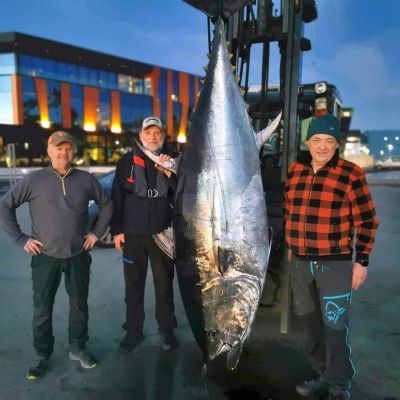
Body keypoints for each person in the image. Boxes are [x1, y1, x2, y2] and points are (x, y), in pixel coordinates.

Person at [0, 131, 113, 380]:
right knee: (42, 309)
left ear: (73, 151)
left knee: (79, 306)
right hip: (45, 257)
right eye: (58, 148)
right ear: (49, 151)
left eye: (68, 148)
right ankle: (42, 355)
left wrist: (96, 233)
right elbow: (5, 205)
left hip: (78, 255)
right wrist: (21, 239)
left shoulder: (86, 179)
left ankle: (78, 348)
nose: (64, 152)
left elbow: (107, 204)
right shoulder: (33, 180)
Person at [283, 114, 379, 400]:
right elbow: (290, 210)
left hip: (334, 263)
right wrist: (290, 246)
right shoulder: (296, 170)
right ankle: (319, 373)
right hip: (300, 263)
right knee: (310, 325)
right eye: (316, 140)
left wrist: (361, 261)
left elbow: (367, 221)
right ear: (308, 142)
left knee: (335, 327)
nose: (322, 147)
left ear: (337, 145)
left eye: (328, 141)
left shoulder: (351, 174)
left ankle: (338, 386)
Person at [110, 116, 178, 353]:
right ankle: (133, 332)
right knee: (134, 287)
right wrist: (116, 231)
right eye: (148, 133)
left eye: (157, 133)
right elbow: (116, 199)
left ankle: (167, 330)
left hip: (163, 234)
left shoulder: (173, 160)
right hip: (133, 235)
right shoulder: (125, 161)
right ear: (140, 135)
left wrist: (171, 174)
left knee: (164, 287)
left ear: (163, 136)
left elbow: (187, 195)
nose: (152, 137)